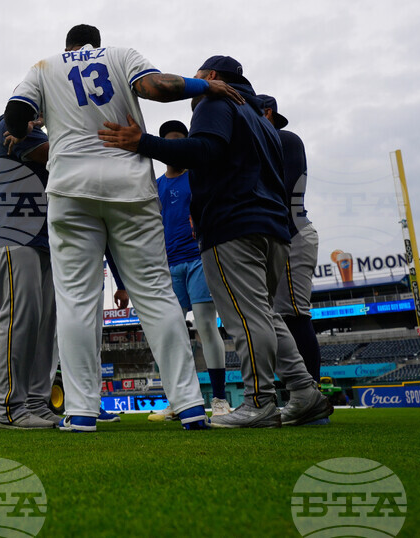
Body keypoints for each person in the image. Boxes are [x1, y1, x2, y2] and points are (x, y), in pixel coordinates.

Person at [4, 24, 241, 433]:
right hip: (129, 184)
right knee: (156, 294)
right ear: (96, 43)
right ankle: (189, 405)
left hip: (70, 188)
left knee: (76, 300)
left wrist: (34, 126)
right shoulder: (120, 54)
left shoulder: (44, 66)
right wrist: (206, 86)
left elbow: (16, 116)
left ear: (68, 46)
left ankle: (81, 411)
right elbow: (157, 87)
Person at [98, 55, 332, 428]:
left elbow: (203, 150)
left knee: (247, 318)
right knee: (266, 315)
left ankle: (259, 401)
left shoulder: (215, 101)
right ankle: (305, 392)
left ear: (210, 76)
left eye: (197, 76)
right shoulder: (260, 119)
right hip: (272, 228)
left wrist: (142, 142)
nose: (194, 83)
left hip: (233, 225)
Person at [148, 119, 232, 420]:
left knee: (206, 325)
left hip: (198, 260)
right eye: (169, 141)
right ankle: (179, 400)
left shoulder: (199, 177)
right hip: (169, 266)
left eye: (179, 140)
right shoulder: (155, 185)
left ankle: (220, 399)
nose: (175, 147)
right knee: (171, 332)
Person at [0, 114, 60, 429]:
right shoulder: (10, 123)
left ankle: (35, 403)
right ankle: (7, 408)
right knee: (20, 321)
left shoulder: (37, 131)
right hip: (11, 235)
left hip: (40, 237)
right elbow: (54, 153)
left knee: (43, 326)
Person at [257, 96, 325, 397]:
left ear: (267, 112)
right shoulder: (260, 144)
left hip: (292, 232)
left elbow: (286, 192)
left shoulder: (284, 138)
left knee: (293, 315)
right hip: (278, 234)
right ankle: (301, 394)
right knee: (277, 317)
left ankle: (311, 394)